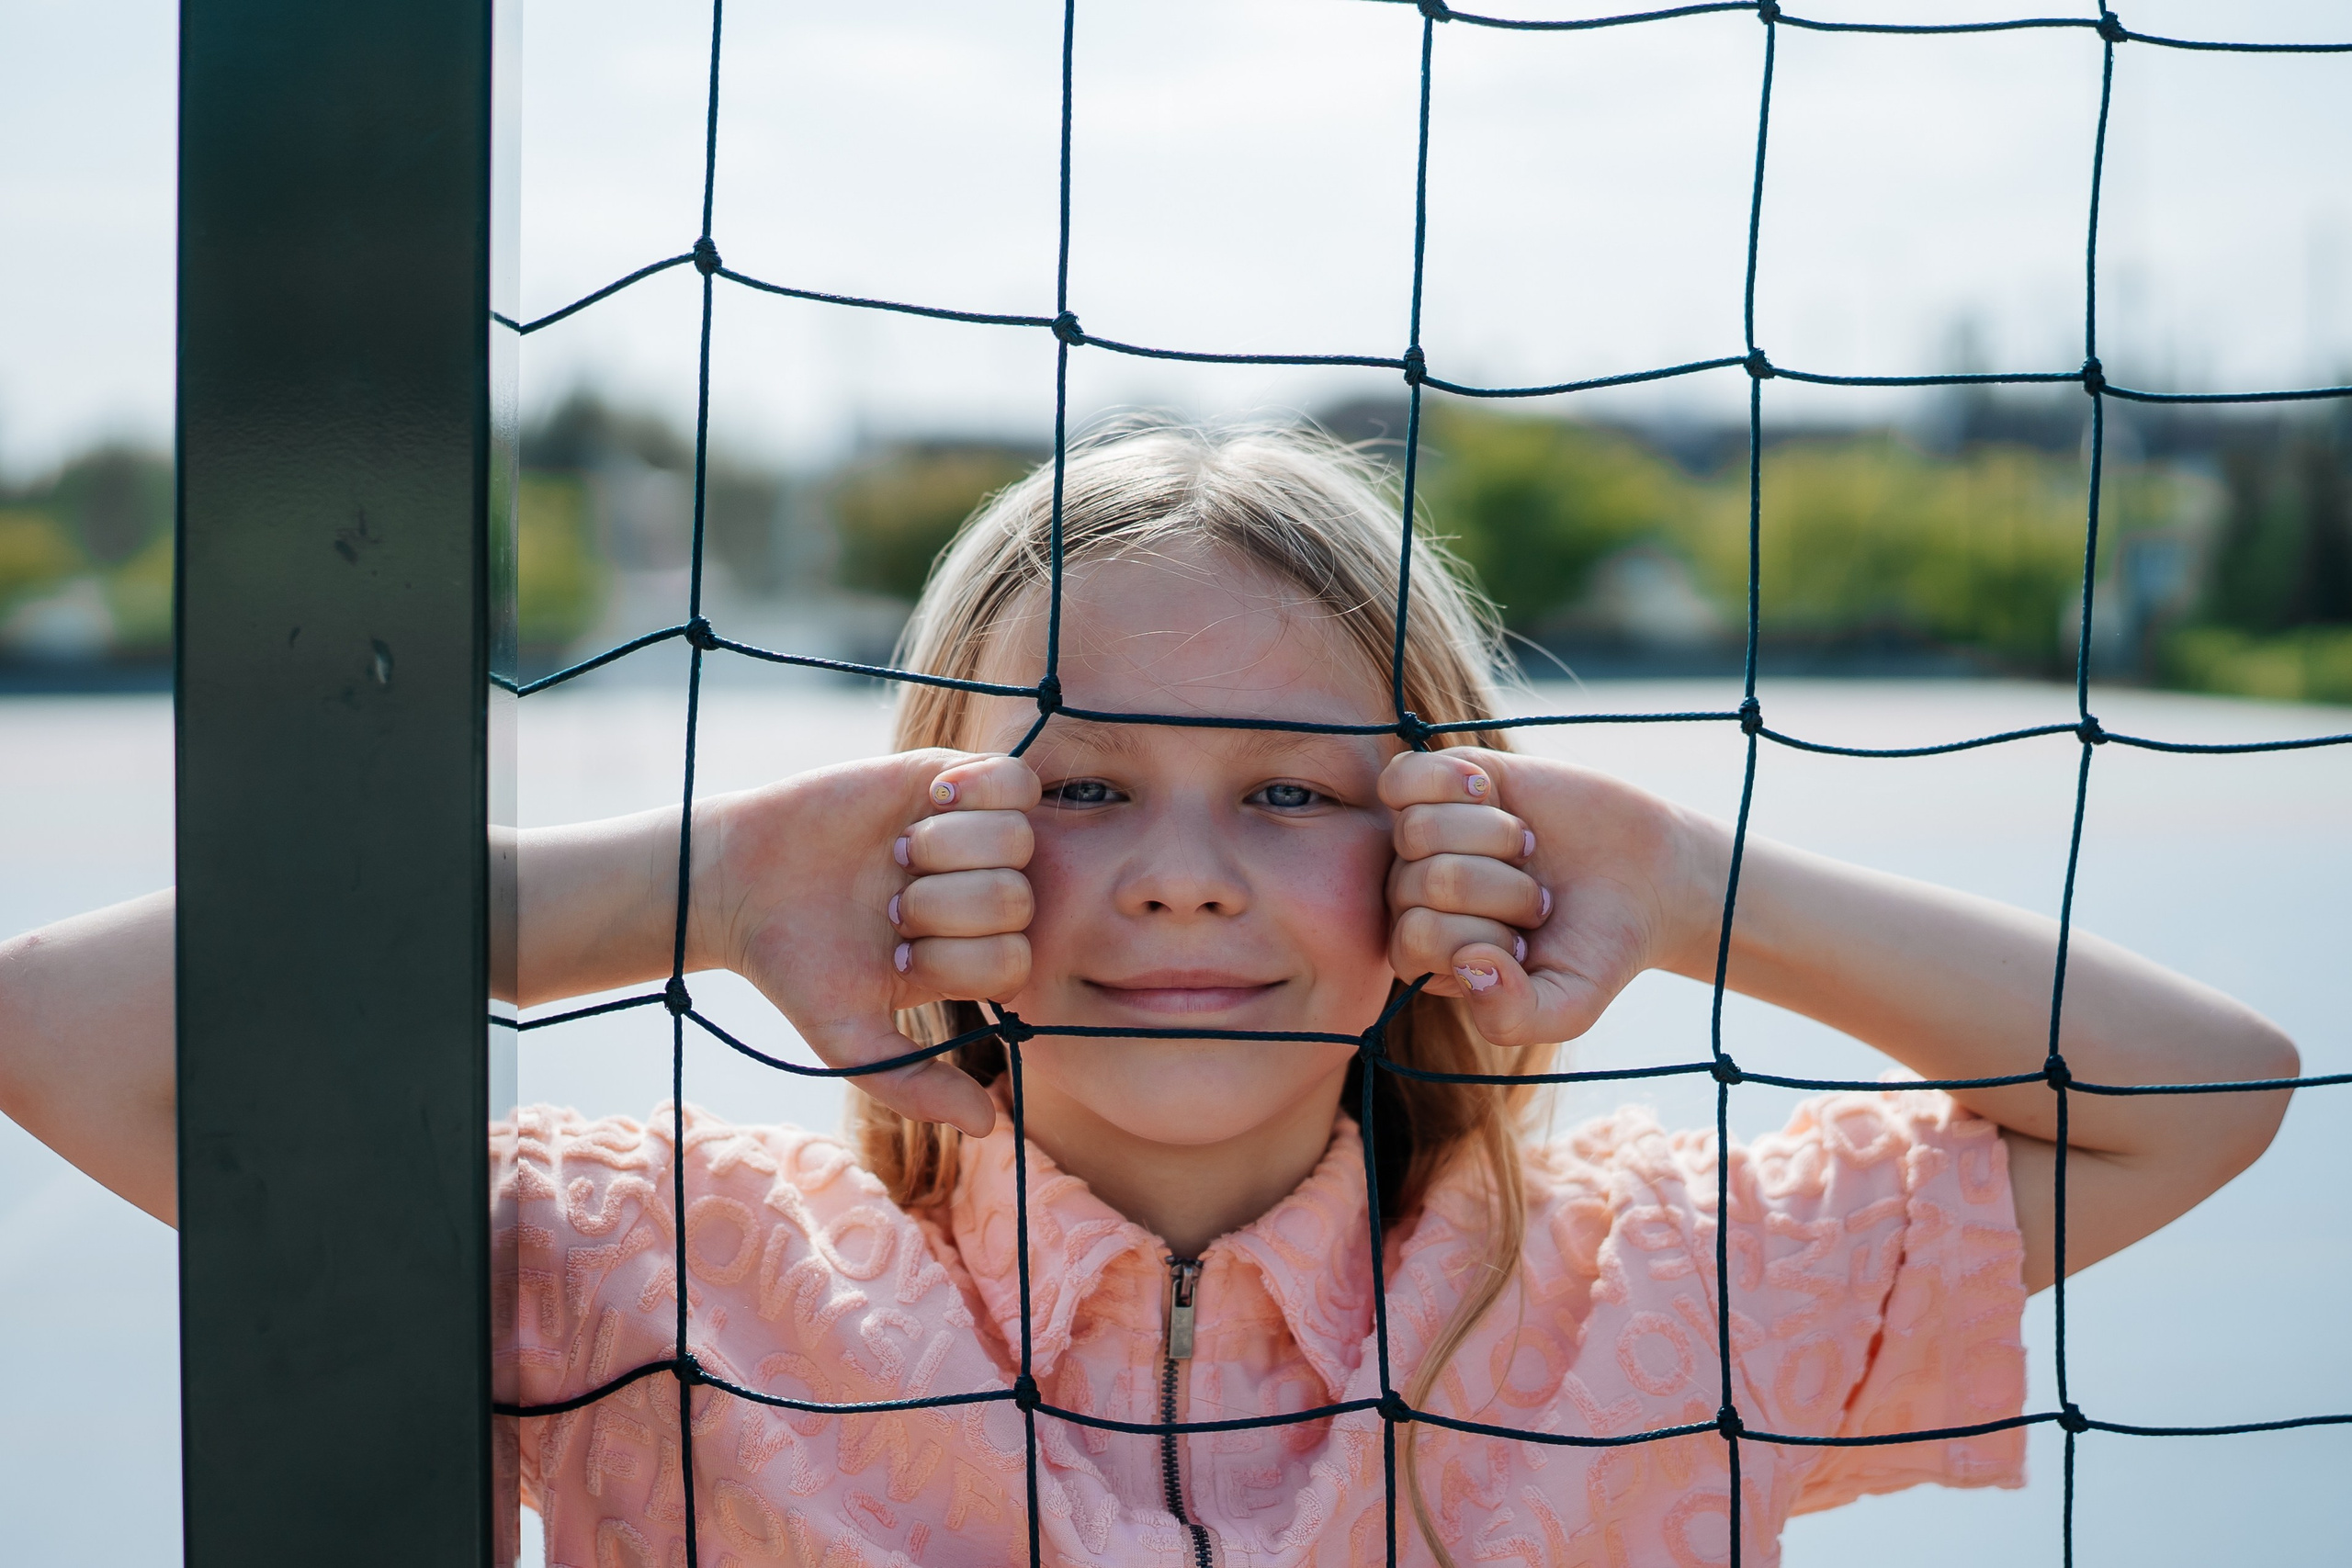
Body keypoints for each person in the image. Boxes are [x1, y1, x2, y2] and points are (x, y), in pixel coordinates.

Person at [0, 423, 2297, 1568]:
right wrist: (699, 881)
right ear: (922, 836)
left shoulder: (1656, 1293)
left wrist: (1687, 883)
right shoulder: (655, 1270)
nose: (1181, 875)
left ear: (1444, 840)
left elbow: (2201, 1088)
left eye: (1293, 790)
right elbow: (68, 1032)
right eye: (1077, 784)